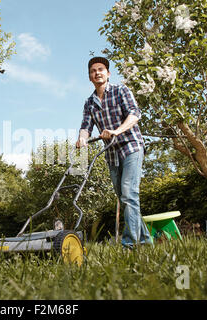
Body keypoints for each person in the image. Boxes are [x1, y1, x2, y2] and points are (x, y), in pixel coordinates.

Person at [76, 56, 152, 249]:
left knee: (128, 192)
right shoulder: (89, 103)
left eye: (101, 69)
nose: (97, 73)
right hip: (111, 153)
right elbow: (86, 126)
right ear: (90, 77)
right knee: (125, 199)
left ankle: (130, 245)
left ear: (108, 73)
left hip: (131, 146)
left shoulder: (120, 91)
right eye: (93, 71)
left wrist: (117, 131)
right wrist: (82, 138)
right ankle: (144, 240)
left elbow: (135, 114)